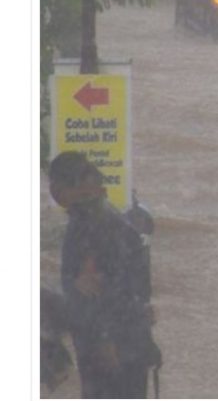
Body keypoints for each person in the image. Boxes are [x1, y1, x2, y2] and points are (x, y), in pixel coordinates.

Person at [49, 151, 160, 399]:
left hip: (113, 344)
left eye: (56, 186)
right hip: (124, 338)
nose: (53, 193)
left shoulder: (95, 225)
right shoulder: (99, 219)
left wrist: (105, 338)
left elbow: (111, 289)